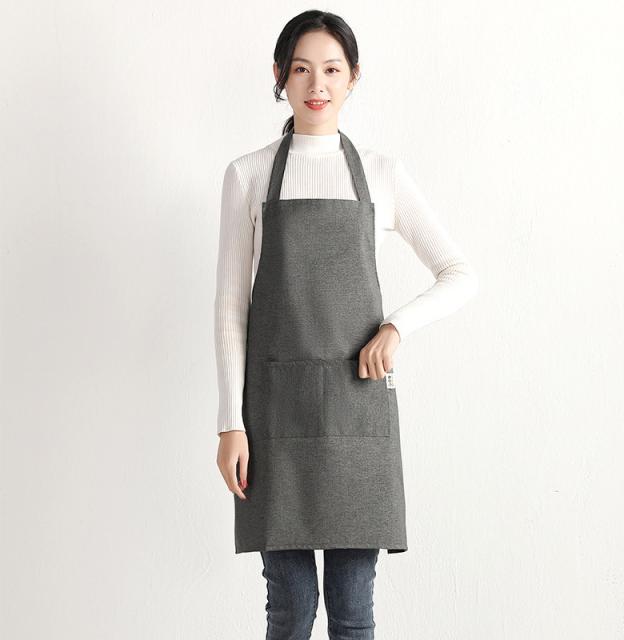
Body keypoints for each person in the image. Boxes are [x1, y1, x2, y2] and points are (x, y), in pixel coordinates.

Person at [214, 9, 479, 639]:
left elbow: (459, 273)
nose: (318, 84)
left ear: (353, 77)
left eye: (332, 70)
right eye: (302, 69)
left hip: (356, 414)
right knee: (290, 609)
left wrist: (396, 327)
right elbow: (229, 308)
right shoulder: (248, 175)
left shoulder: (382, 174)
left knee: (354, 611)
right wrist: (230, 423)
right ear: (280, 75)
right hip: (273, 418)